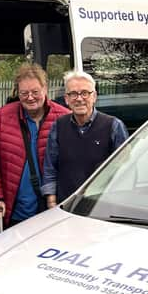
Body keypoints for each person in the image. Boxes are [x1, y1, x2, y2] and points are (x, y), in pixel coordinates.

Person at [0, 63, 70, 227]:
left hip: (53, 209)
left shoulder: (64, 118)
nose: (30, 97)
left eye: (35, 92)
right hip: (15, 211)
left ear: (45, 89)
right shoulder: (1, 118)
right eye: (24, 93)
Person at [41, 70, 129, 207]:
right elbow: (50, 167)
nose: (79, 98)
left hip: (102, 206)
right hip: (66, 206)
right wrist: (51, 201)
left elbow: (125, 170)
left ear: (94, 96)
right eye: (73, 94)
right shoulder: (58, 127)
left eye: (85, 93)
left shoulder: (114, 126)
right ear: (66, 99)